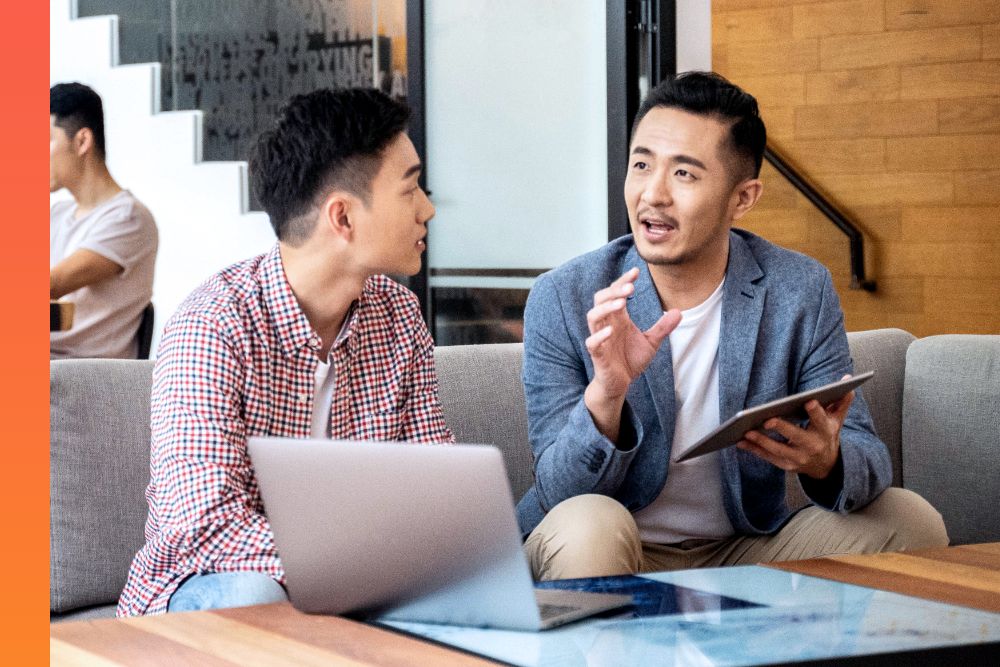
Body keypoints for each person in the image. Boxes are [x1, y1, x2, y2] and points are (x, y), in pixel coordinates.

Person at [517, 72, 947, 581]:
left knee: (907, 520)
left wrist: (827, 461)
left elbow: (867, 456)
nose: (652, 194)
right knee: (591, 523)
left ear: (742, 198)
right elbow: (557, 491)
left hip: (742, 551)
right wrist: (607, 397)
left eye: (684, 175)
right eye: (641, 165)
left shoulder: (798, 289)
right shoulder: (565, 296)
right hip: (611, 546)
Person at [118, 88, 453, 616]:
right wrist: (368, 564)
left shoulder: (397, 316)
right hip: (205, 589)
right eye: (411, 190)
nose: (428, 209)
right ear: (342, 218)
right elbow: (205, 526)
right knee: (258, 595)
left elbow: (436, 481)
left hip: (358, 585)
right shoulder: (214, 326)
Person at [50, 82, 158, 359]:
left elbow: (52, 284)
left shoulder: (129, 218)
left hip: (81, 379)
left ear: (82, 141)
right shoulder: (57, 214)